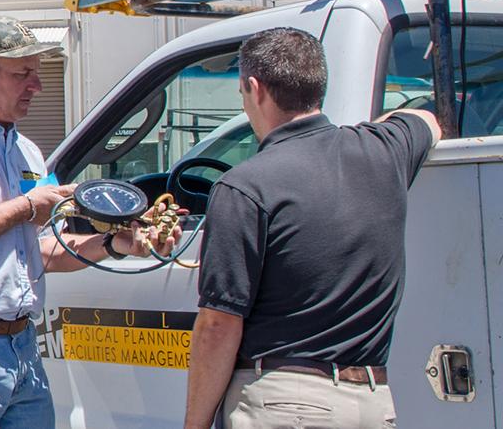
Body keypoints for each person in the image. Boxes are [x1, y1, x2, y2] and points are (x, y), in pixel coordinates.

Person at [0, 15, 180, 428]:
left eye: (38, 72)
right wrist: (29, 206)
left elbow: (44, 251)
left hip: (21, 345)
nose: (37, 86)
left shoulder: (28, 152)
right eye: (23, 73)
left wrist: (120, 245)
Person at [183, 28, 441, 429]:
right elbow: (426, 119)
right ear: (316, 85)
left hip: (284, 405)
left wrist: (194, 424)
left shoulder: (244, 187)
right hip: (372, 403)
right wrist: (373, 133)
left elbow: (218, 325)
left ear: (256, 88)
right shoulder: (384, 152)